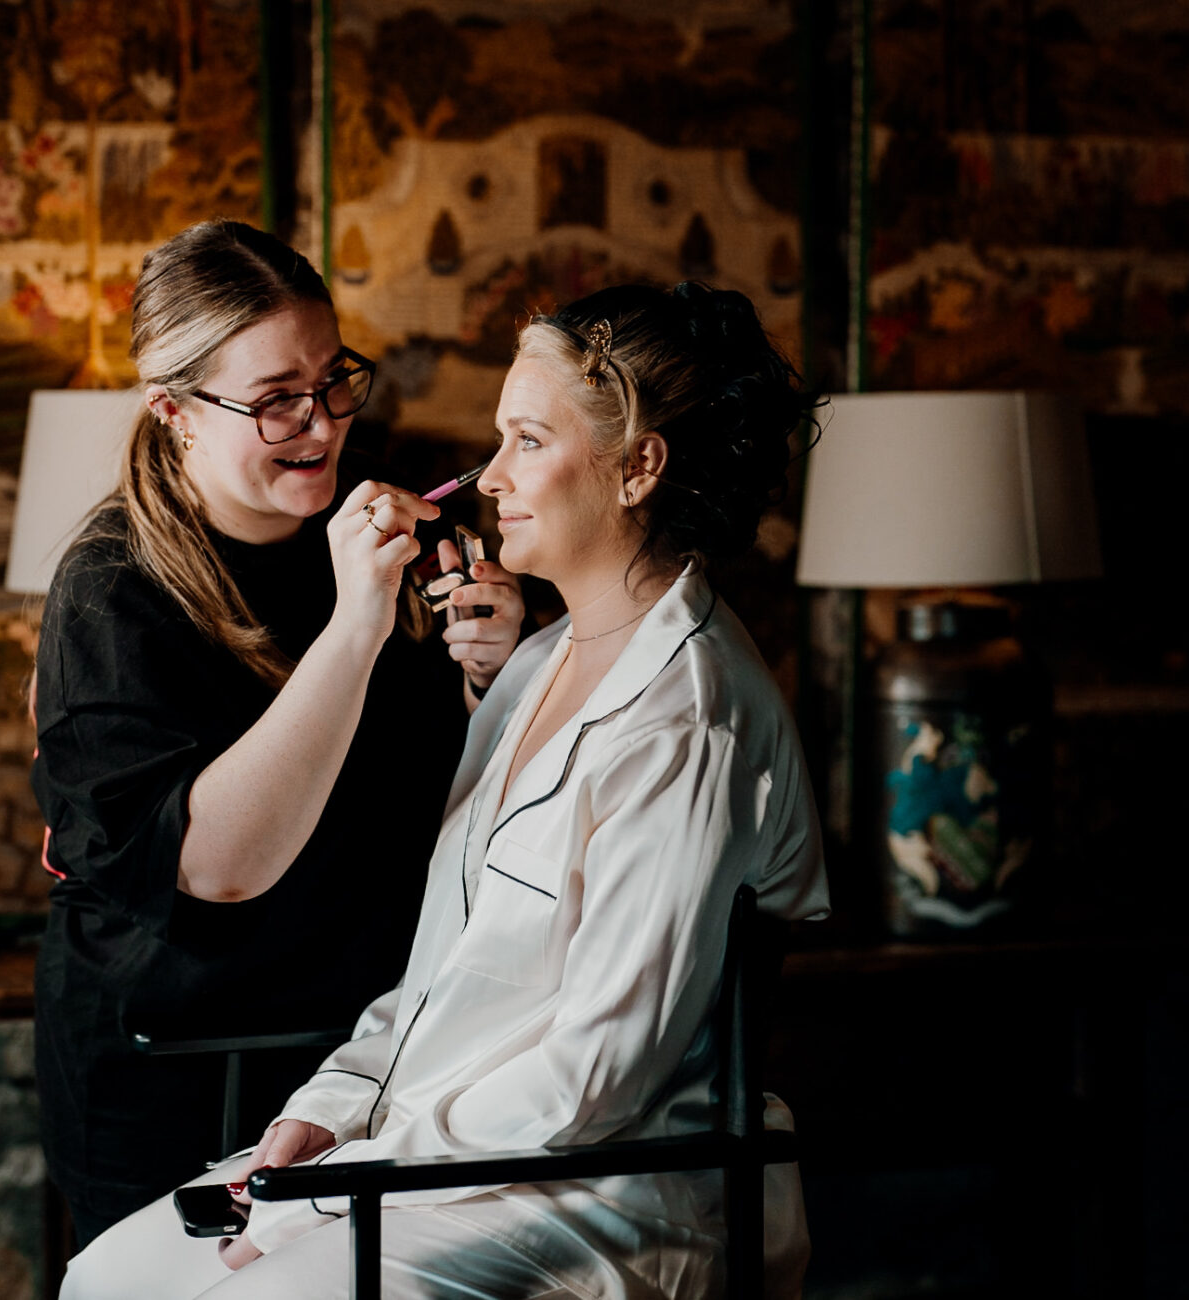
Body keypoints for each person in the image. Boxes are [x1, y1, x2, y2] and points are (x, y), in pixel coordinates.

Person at [60, 281, 831, 1300]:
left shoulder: (689, 722)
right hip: (436, 1147)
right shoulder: (533, 662)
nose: (487, 475)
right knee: (109, 1277)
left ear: (638, 466)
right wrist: (328, 1110)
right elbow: (442, 973)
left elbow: (591, 1080)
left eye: (523, 439)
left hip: (600, 1186)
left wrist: (347, 1181)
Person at [30, 219, 526, 1246]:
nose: (321, 422)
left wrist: (492, 674)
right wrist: (356, 624)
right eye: (273, 399)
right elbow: (217, 867)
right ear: (173, 410)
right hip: (171, 1067)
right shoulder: (108, 590)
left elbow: (441, 801)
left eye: (332, 378)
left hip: (358, 1055)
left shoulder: (384, 516)